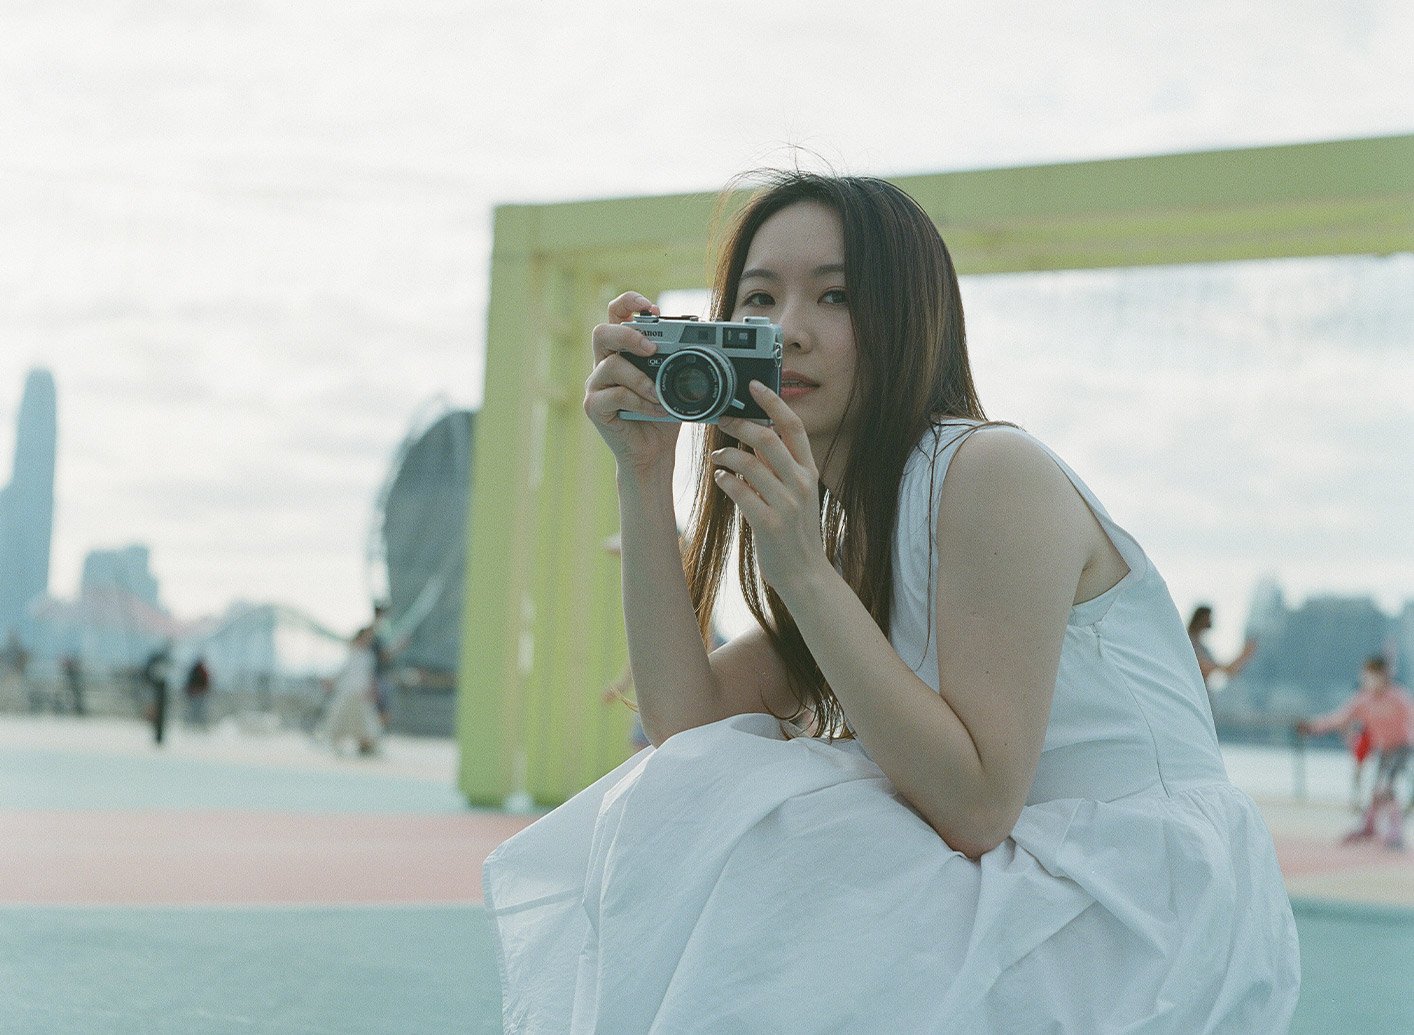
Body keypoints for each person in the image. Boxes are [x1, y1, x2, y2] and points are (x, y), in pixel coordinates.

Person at [483, 171, 1300, 1031]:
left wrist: (801, 569)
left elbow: (979, 804)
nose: (787, 331)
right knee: (710, 806)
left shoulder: (985, 471)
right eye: (757, 299)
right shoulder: (857, 535)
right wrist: (644, 478)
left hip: (1138, 908)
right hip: (1038, 878)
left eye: (835, 296)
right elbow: (690, 733)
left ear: (911, 320)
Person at [1299, 657, 1414, 850]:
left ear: (1385, 676)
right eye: (1367, 675)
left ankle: (1395, 832)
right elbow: (1339, 718)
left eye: (1375, 675)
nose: (1370, 679)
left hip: (1402, 748)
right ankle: (1369, 825)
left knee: (1386, 786)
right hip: (1383, 750)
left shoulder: (1399, 698)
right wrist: (1312, 727)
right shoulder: (1363, 700)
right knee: (1377, 787)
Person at [317, 626, 381, 756]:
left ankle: (365, 745)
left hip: (361, 691)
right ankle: (338, 743)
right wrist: (332, 681)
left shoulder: (368, 655)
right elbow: (343, 671)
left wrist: (372, 690)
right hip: (349, 691)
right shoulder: (351, 652)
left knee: (364, 720)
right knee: (342, 718)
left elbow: (368, 676)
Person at [1187, 604, 1257, 691]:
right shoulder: (1187, 642)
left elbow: (1228, 671)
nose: (1210, 620)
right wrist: (1243, 655)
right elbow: (1204, 668)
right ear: (1202, 618)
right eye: (1208, 617)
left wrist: (1244, 655)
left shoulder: (1202, 648)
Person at [141, 642, 173, 746]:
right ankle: (158, 737)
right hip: (158, 691)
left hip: (160, 692)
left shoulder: (158, 660)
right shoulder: (160, 660)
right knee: (157, 715)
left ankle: (159, 737)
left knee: (160, 715)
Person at [182, 656, 212, 730]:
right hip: (196, 694)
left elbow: (206, 683)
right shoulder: (196, 671)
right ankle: (192, 726)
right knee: (195, 711)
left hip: (199, 694)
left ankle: (199, 726)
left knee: (199, 711)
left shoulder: (199, 671)